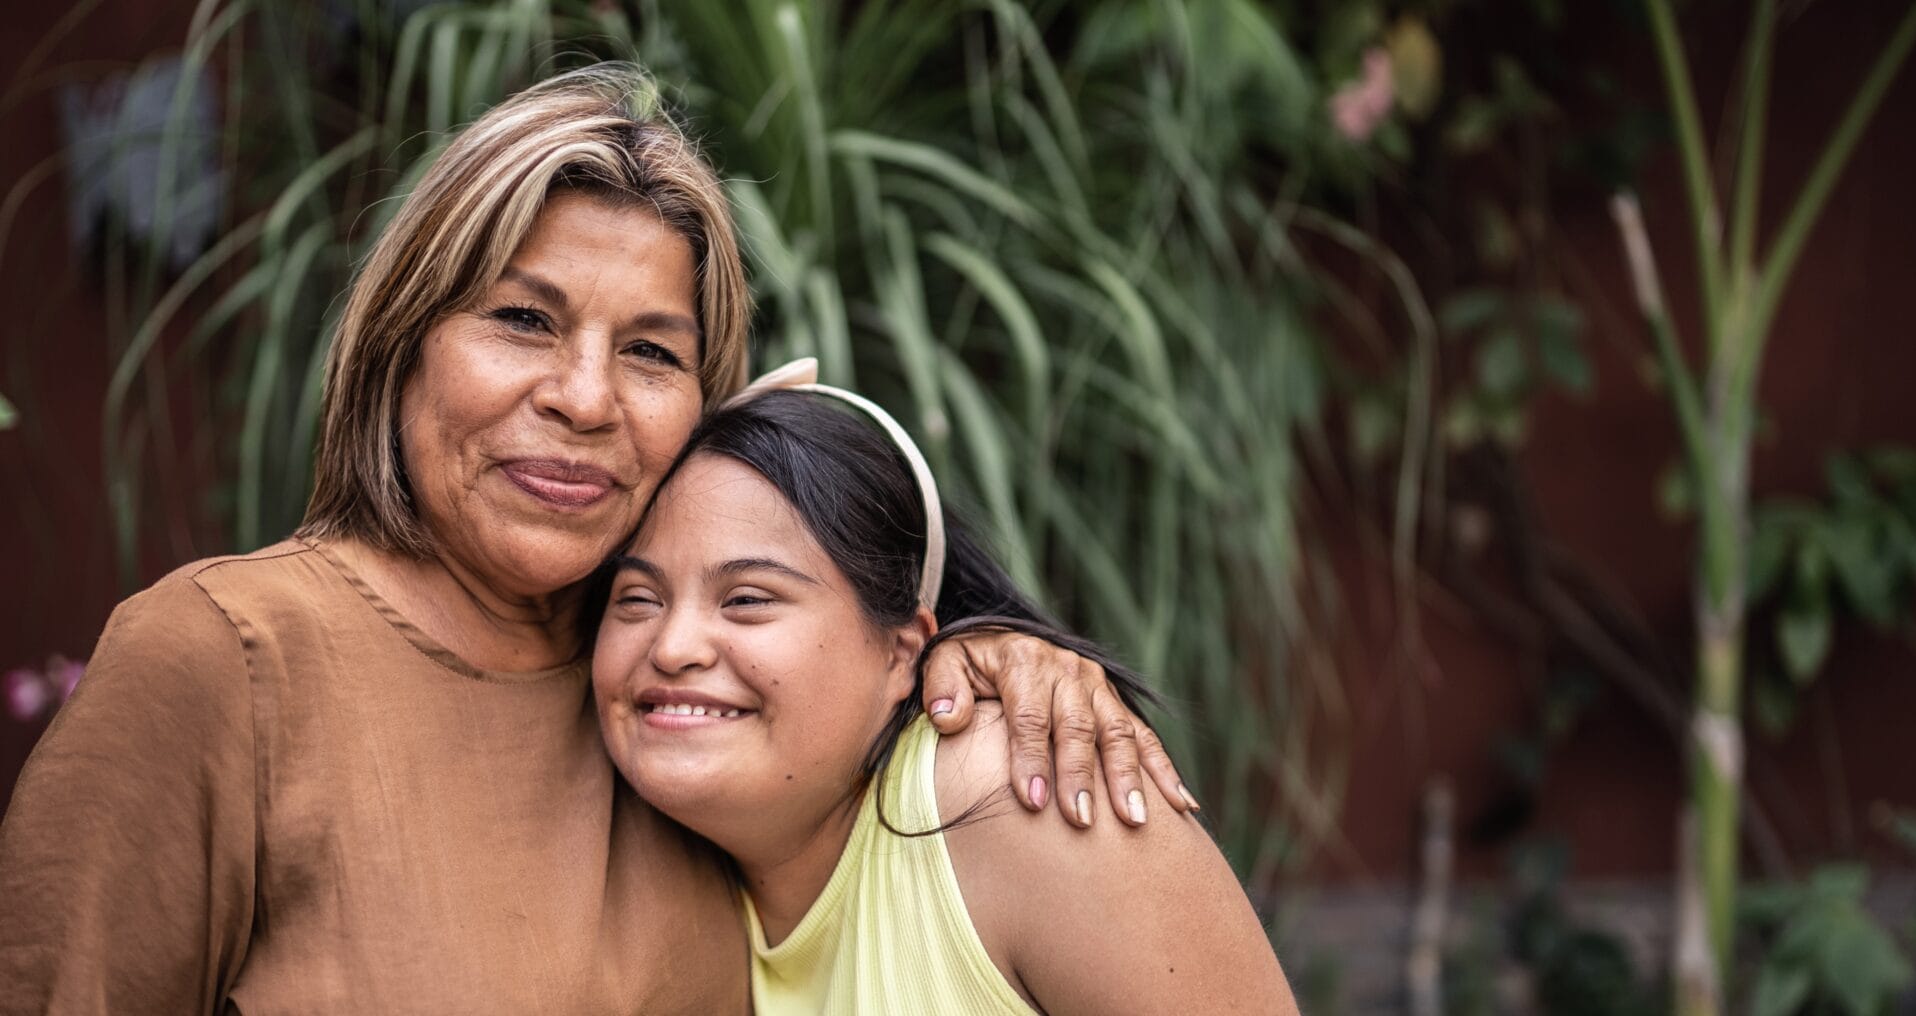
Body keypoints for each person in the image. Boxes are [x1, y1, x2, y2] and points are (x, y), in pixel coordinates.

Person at [0, 64, 1188, 1013]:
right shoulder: (221, 663)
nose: (584, 397)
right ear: (404, 341)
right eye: (523, 319)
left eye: (652, 351)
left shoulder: (683, 699)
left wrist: (972, 651)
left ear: (705, 409)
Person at [592, 365, 1298, 1015]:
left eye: (747, 599)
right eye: (636, 600)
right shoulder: (658, 869)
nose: (673, 646)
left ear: (903, 652)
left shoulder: (1016, 790)